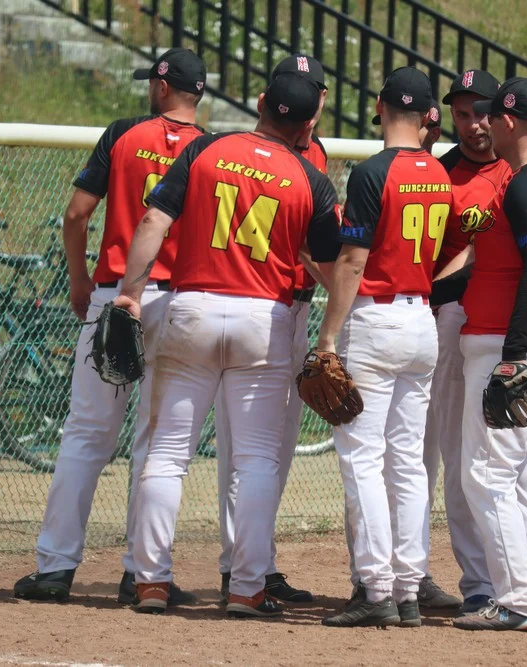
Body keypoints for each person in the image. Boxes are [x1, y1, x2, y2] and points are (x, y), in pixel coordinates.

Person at [116, 71, 340, 617]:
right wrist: (338, 326)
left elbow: (153, 220)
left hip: (191, 308)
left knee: (167, 454)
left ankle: (150, 581)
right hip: (264, 319)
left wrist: (130, 295)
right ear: (310, 123)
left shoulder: (207, 150)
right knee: (257, 461)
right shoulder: (309, 176)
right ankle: (246, 587)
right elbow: (330, 265)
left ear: (260, 102)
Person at [13, 48, 206, 605]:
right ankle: (143, 574)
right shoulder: (213, 150)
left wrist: (79, 279)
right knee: (157, 444)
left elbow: (77, 214)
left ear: (164, 88)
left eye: (154, 82)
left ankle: (54, 569)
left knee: (87, 433)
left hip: (114, 296)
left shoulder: (123, 134)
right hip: (175, 301)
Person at [437, 77, 527, 631]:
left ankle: (519, 602)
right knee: (514, 478)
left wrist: (515, 354)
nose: (483, 125)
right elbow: (491, 267)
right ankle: (525, 593)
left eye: (492, 117)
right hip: (523, 343)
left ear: (511, 123)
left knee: (487, 476)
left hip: (522, 347)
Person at [314, 66, 453, 628]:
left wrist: (327, 337)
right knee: (409, 463)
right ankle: (409, 586)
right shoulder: (439, 174)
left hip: (376, 320)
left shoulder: (374, 172)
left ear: (379, 107)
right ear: (426, 117)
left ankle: (376, 590)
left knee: (363, 459)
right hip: (423, 321)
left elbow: (352, 261)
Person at [213, 53, 330, 607]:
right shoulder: (250, 153)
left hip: (295, 309)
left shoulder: (317, 157)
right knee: (246, 450)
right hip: (260, 308)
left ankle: (257, 562)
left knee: (273, 450)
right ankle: (238, 566)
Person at [424, 69, 518, 617]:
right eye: (462, 114)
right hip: (449, 320)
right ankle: (475, 582)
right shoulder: (438, 175)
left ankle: (521, 576)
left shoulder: (519, 170)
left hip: (506, 320)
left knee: (496, 456)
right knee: (442, 454)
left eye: (482, 112)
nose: (474, 124)